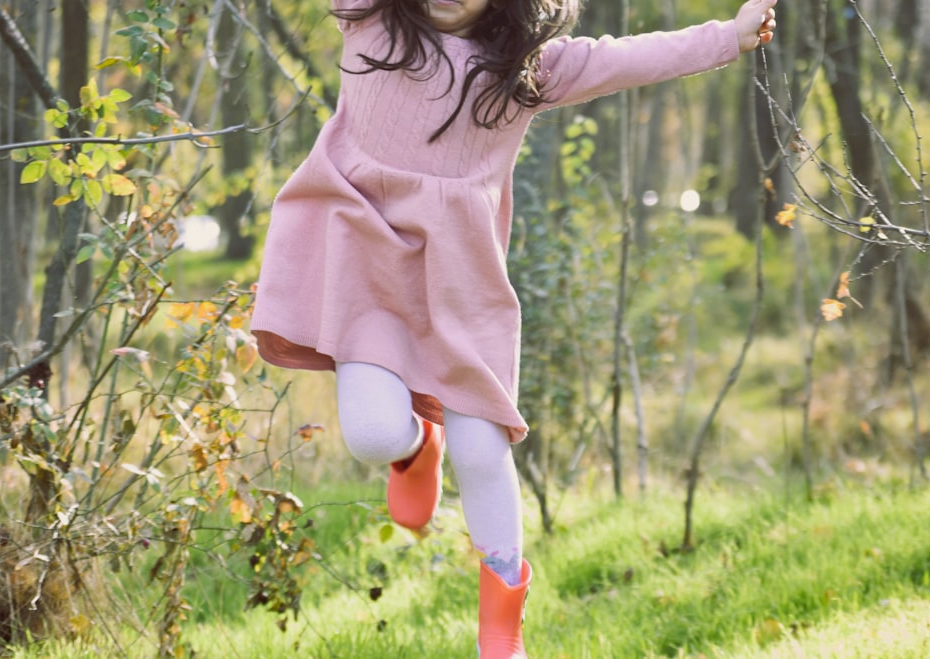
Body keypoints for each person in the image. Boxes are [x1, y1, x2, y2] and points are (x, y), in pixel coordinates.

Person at [250, 0, 777, 655]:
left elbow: (631, 59)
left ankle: (501, 630)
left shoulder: (526, 70)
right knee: (372, 433)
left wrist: (728, 36)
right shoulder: (370, 18)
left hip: (460, 285)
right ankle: (416, 448)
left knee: (481, 451)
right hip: (364, 269)